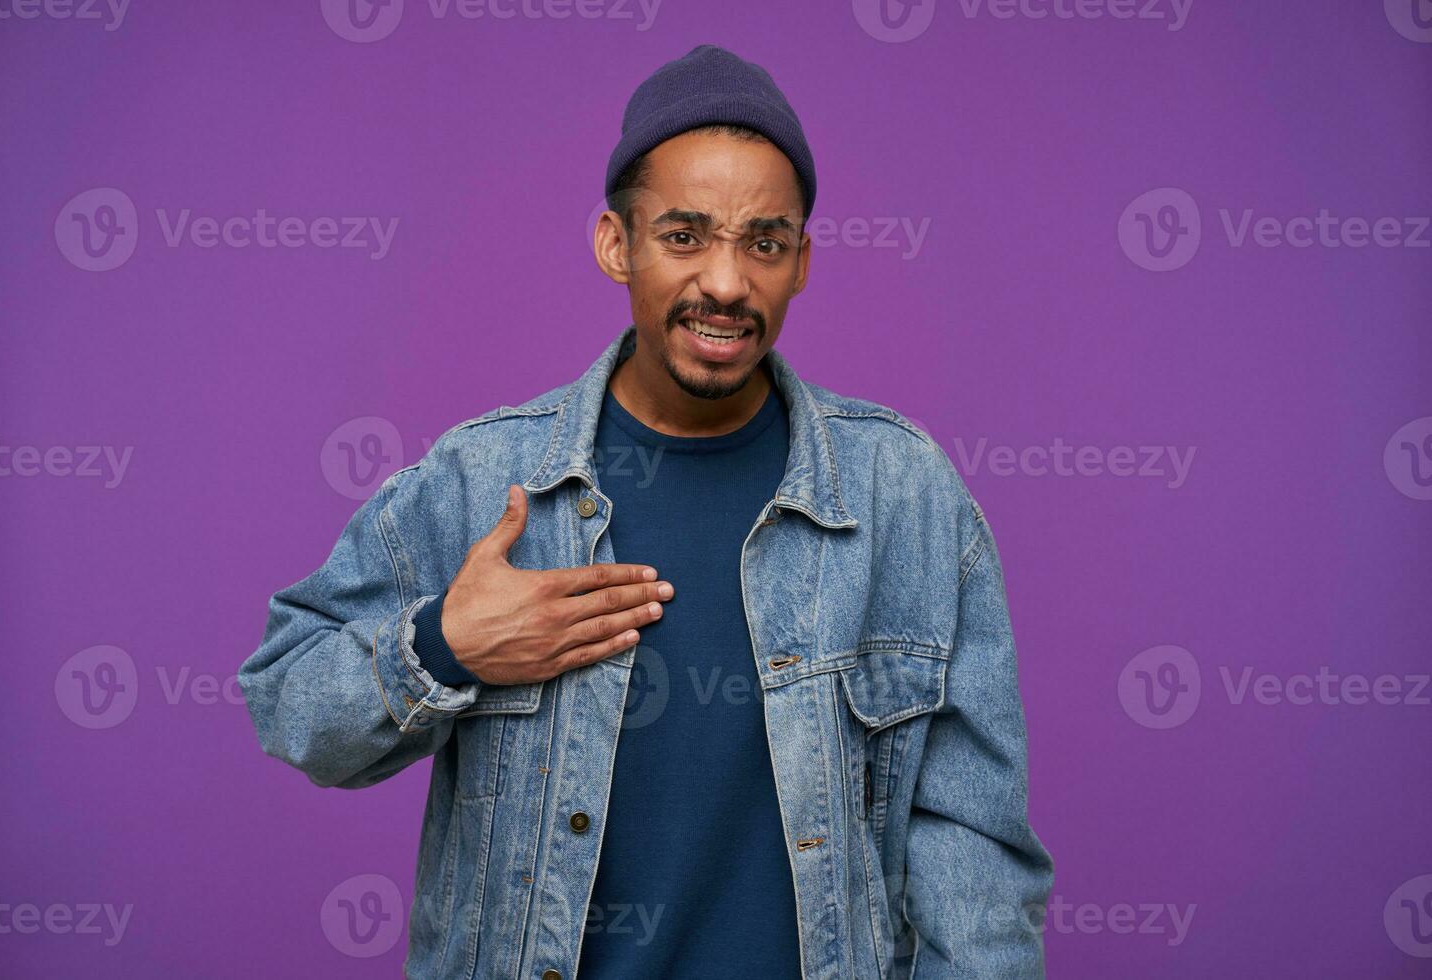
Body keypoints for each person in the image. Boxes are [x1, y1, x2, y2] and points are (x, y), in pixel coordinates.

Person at [240, 42, 1054, 980]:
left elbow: (975, 854)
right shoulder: (485, 479)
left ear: (800, 263)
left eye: (764, 242)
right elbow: (289, 700)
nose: (725, 282)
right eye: (685, 235)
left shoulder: (904, 496)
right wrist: (443, 643)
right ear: (615, 244)